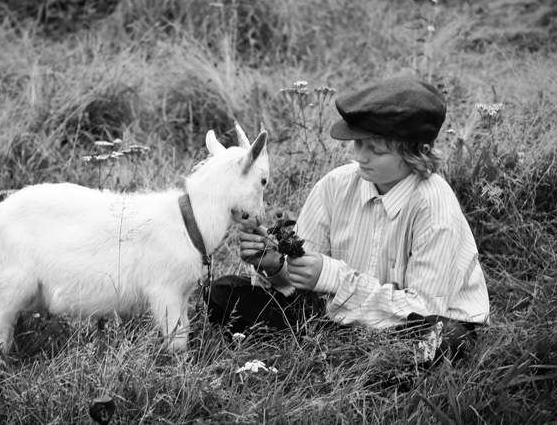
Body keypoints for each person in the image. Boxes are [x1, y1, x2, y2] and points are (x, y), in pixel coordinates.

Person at [204, 77, 490, 363]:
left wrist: (333, 277)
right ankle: (343, 356)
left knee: (442, 338)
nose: (361, 156)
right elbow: (302, 285)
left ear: (419, 153)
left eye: (376, 150)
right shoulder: (334, 186)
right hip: (335, 316)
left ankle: (333, 356)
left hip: (413, 324)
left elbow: (423, 309)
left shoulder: (434, 206)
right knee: (224, 293)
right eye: (359, 143)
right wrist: (276, 265)